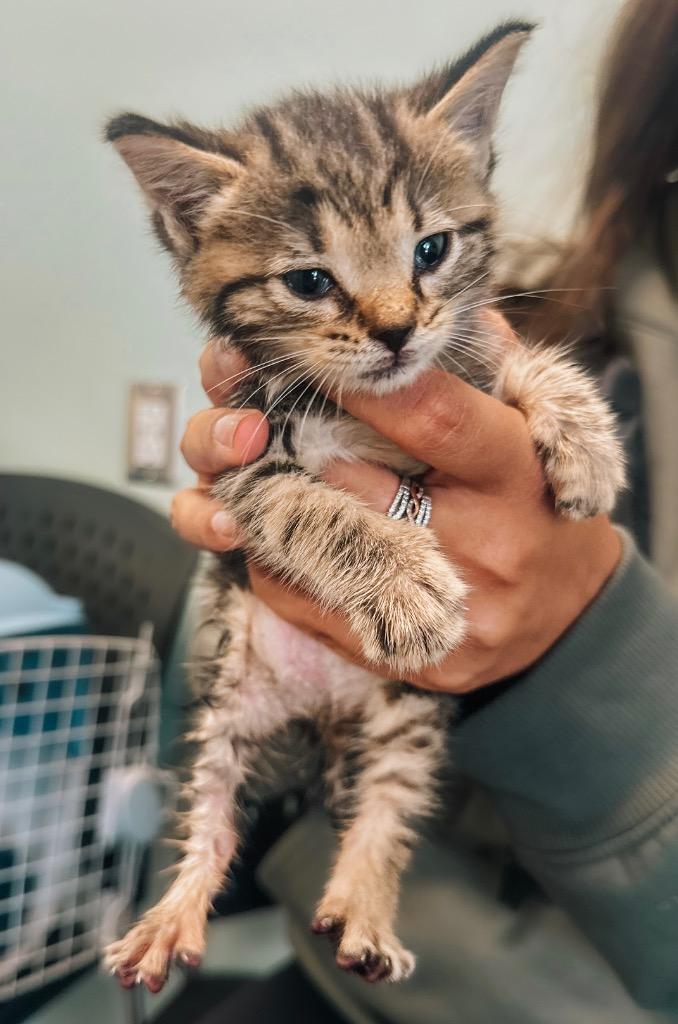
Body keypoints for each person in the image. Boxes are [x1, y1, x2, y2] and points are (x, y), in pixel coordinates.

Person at [170, 0, 678, 1018]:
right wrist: (251, 548)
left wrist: (583, 635)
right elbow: (240, 711)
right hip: (349, 954)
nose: (396, 318)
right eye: (315, 278)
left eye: (428, 255)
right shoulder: (545, 311)